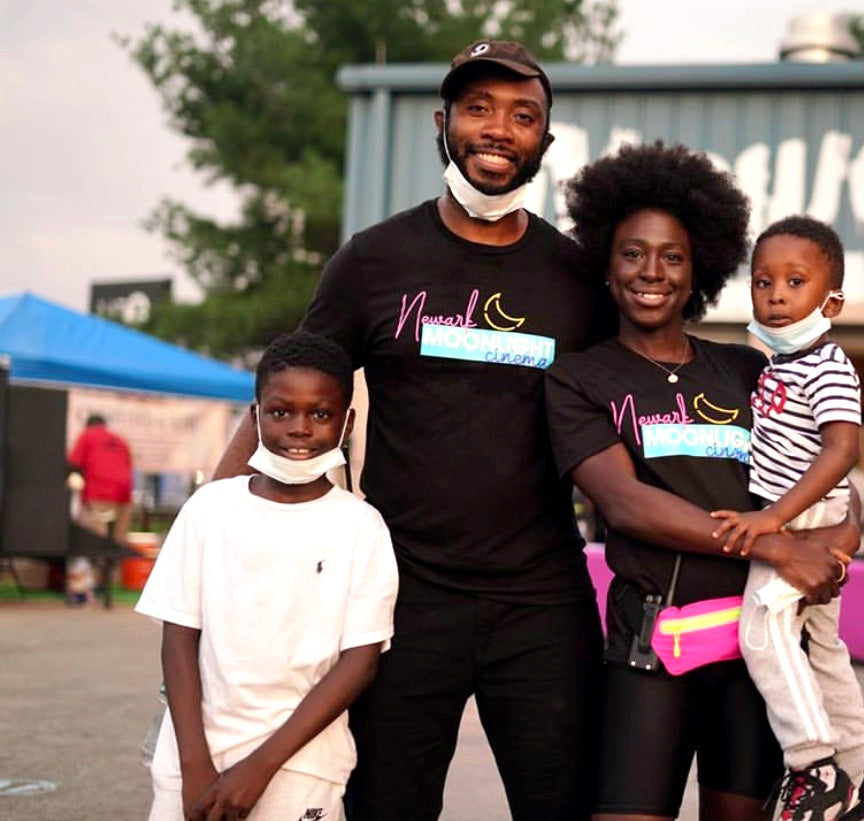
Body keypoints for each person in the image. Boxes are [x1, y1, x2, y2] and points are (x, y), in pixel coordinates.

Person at [210, 40, 610, 821]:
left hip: (542, 598)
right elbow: (287, 389)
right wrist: (211, 522)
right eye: (479, 108)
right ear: (444, 121)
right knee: (389, 805)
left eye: (523, 116)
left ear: (545, 143)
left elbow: (633, 412)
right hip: (400, 593)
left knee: (563, 803)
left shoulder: (577, 281)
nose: (499, 129)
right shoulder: (373, 260)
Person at [545, 142, 861, 821]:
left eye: (672, 256)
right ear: (606, 264)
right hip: (651, 648)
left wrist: (842, 533)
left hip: (758, 651)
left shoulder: (750, 371)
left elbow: (829, 462)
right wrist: (776, 546)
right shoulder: (579, 378)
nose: (651, 271)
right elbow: (627, 505)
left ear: (701, 270)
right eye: (632, 253)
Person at [136, 332, 399, 820]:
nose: (300, 428)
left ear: (347, 423)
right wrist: (195, 763)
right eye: (281, 412)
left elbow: (359, 662)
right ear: (256, 417)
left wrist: (261, 766)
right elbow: (178, 638)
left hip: (301, 768)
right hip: (195, 757)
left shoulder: (362, 527)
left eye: (320, 414)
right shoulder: (210, 509)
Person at [709, 217, 864, 821]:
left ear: (832, 301)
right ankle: (861, 766)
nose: (777, 296)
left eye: (796, 281)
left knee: (761, 631)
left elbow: (842, 449)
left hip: (805, 517)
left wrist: (773, 519)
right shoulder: (779, 365)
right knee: (821, 645)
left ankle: (813, 766)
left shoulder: (829, 366)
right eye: (763, 282)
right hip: (797, 512)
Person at [67, 413, 134, 602]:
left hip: (99, 493)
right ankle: (111, 585)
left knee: (95, 542)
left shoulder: (87, 436)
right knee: (116, 542)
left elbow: (73, 463)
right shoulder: (120, 440)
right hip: (124, 495)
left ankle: (91, 587)